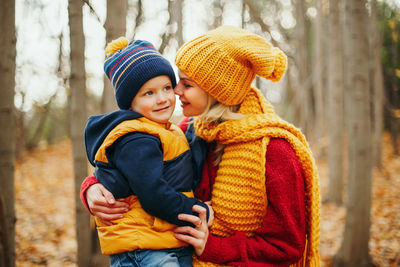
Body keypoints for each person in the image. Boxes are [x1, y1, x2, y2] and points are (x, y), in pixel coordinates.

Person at [82, 26, 321, 266]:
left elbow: (287, 247)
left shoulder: (275, 149)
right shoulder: (187, 130)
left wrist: (214, 247)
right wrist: (92, 188)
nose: (175, 92)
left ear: (217, 90)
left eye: (186, 84)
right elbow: (135, 164)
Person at [84, 36, 213, 267]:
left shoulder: (167, 130)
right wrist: (199, 212)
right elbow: (153, 194)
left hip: (164, 241)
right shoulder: (136, 139)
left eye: (166, 88)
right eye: (149, 93)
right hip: (144, 248)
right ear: (130, 102)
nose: (163, 98)